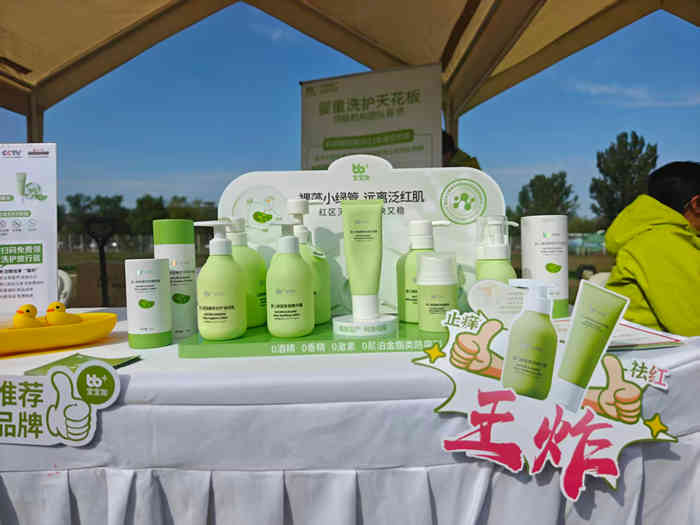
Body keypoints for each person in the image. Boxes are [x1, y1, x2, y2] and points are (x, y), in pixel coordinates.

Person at [604, 161, 700, 336]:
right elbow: (694, 327)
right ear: (697, 204)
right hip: (653, 351)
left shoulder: (666, 238)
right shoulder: (660, 243)